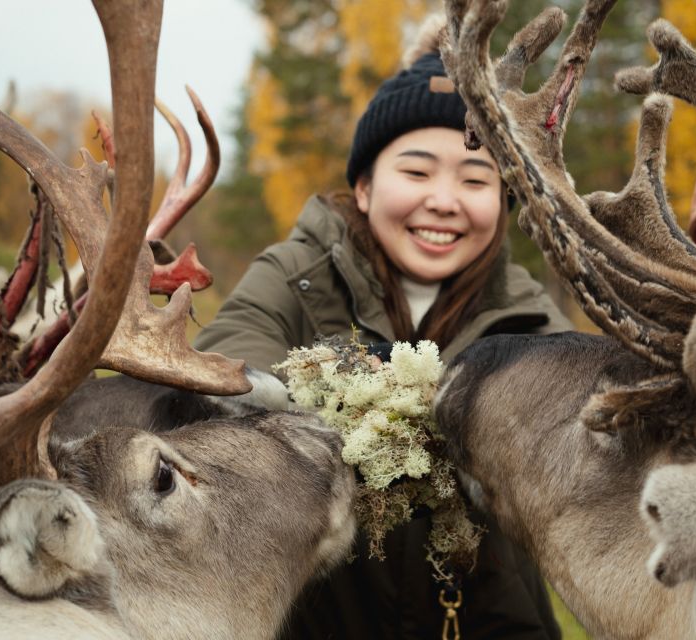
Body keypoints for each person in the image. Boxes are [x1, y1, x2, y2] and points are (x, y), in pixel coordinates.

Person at [194, 21, 572, 640]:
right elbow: (225, 360)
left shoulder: (529, 316)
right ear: (365, 187)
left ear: (502, 202)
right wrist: (354, 397)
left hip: (488, 615)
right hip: (317, 613)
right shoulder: (296, 273)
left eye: (476, 180)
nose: (445, 200)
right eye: (418, 173)